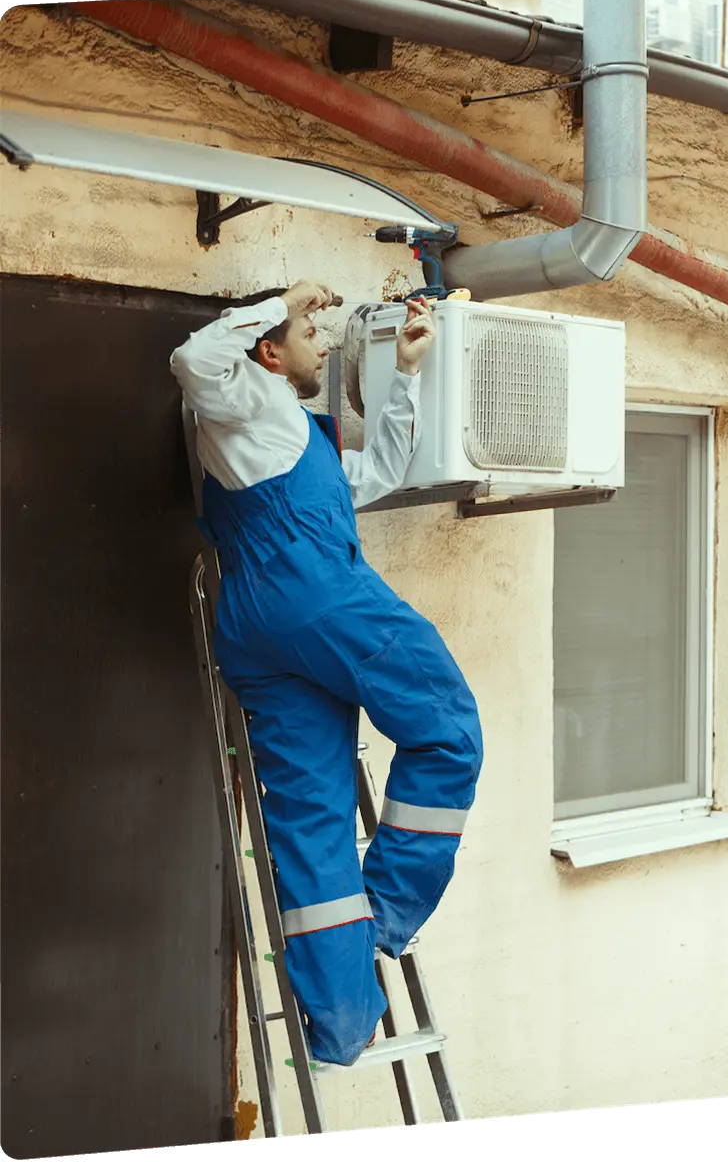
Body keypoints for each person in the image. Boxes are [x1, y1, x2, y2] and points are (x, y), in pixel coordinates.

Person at [170, 279, 483, 1067]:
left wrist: (407, 372)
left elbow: (374, 474)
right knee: (446, 730)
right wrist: (278, 298)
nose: (324, 338)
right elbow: (192, 357)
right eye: (310, 329)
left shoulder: (288, 432)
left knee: (312, 818)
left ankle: (341, 1023)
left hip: (255, 626)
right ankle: (387, 915)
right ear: (270, 350)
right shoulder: (247, 397)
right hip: (315, 597)